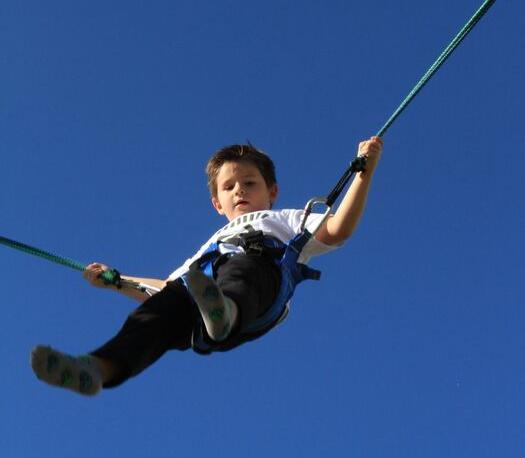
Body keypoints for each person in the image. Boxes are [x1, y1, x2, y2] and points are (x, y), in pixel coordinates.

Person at [31, 136, 383, 396]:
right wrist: (117, 281)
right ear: (217, 203)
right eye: (229, 187)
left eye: (250, 183)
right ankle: (97, 367)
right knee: (159, 311)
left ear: (272, 192)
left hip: (260, 285)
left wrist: (362, 172)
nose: (240, 191)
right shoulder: (207, 249)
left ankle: (225, 310)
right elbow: (161, 287)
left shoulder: (287, 218)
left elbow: (338, 229)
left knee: (243, 270)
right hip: (203, 306)